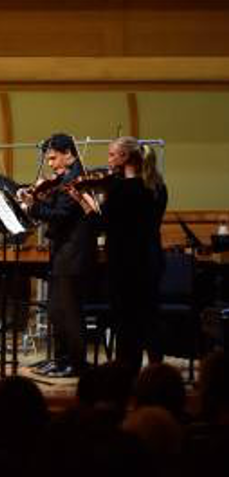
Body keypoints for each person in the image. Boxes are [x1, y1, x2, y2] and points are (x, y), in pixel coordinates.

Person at [74, 136, 157, 377]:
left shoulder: (121, 189)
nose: (108, 160)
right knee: (143, 321)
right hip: (149, 261)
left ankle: (125, 375)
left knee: (125, 324)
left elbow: (101, 225)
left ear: (125, 157)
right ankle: (151, 375)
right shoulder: (156, 187)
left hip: (125, 265)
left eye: (112, 155)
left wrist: (84, 201)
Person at [24, 133, 96, 378]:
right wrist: (41, 199)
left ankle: (75, 363)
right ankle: (60, 358)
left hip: (73, 254)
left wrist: (33, 207)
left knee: (70, 312)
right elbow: (55, 210)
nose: (51, 164)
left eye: (54, 158)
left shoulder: (75, 179)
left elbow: (61, 215)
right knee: (56, 310)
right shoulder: (63, 178)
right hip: (62, 252)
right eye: (48, 160)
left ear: (68, 153)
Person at [141, 143, 168, 364]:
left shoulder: (137, 188)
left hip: (139, 255)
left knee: (139, 314)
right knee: (151, 313)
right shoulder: (159, 186)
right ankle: (155, 362)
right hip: (153, 253)